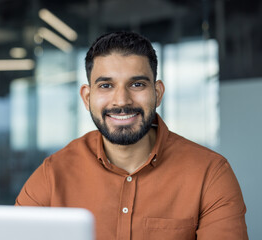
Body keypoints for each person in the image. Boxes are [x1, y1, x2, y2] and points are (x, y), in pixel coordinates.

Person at [15, 31, 248, 240]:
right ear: (87, 98)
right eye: (106, 86)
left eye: (136, 84)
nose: (122, 101)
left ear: (157, 93)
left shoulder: (210, 173)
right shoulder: (52, 174)